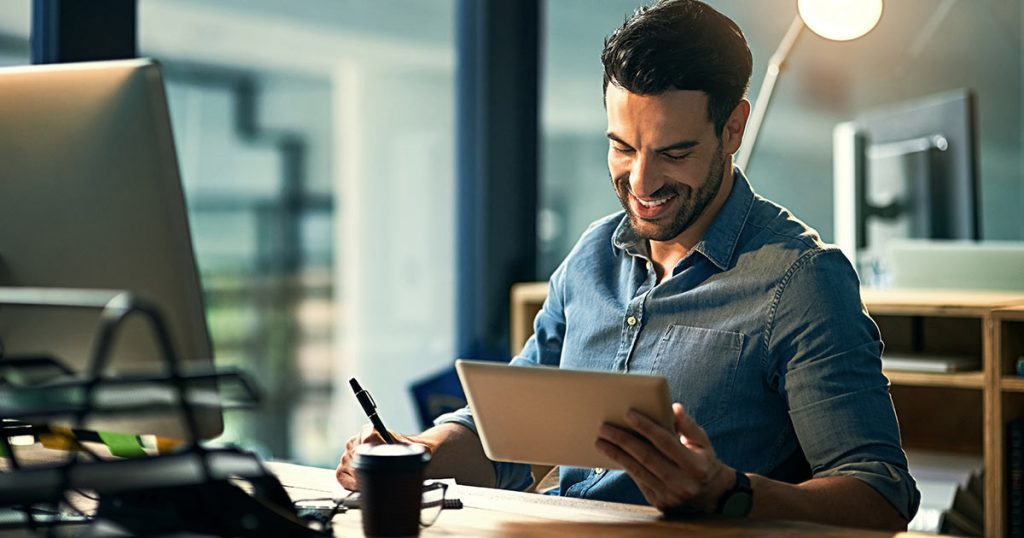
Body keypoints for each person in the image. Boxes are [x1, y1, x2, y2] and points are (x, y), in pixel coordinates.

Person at [337, 0, 919, 530]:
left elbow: (880, 498)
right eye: (623, 146)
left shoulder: (802, 281)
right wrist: (417, 452)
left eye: (674, 152)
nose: (641, 182)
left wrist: (728, 492)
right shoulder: (590, 258)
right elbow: (503, 438)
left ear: (733, 129)